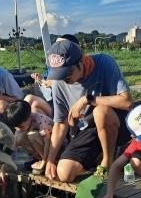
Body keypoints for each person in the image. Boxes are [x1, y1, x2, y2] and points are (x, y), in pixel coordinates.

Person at [44, 40, 133, 183]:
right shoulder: (59, 82)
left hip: (114, 123)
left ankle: (107, 163)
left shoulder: (104, 62)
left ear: (82, 61)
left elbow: (126, 102)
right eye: (59, 74)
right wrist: (50, 160)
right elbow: (60, 124)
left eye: (68, 72)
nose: (64, 78)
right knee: (64, 174)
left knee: (100, 112)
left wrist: (87, 99)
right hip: (89, 130)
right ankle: (101, 157)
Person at [5, 99, 54, 174]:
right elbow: (14, 144)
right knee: (19, 137)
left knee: (32, 135)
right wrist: (5, 164)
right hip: (41, 149)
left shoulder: (41, 120)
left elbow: (48, 142)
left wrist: (45, 162)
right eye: (16, 127)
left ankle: (46, 162)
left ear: (30, 116)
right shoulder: (22, 125)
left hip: (54, 148)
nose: (18, 129)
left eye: (21, 126)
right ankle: (38, 159)